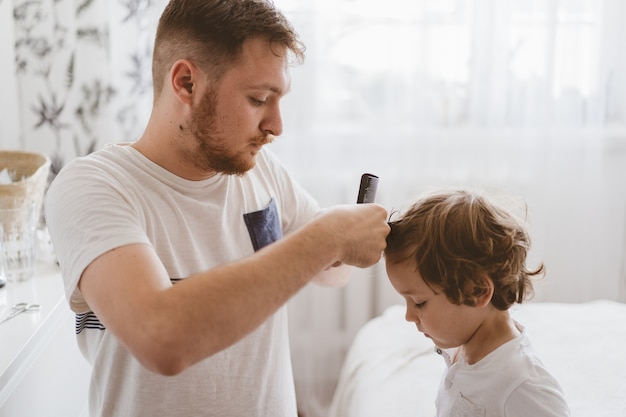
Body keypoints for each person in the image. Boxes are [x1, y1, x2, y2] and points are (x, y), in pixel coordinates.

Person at [44, 1, 390, 416]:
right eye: (259, 98)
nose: (276, 126)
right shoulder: (93, 187)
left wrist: (350, 235)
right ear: (186, 83)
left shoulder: (259, 170)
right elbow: (162, 338)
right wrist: (329, 237)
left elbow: (328, 273)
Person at [384, 189, 570, 417]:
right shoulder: (461, 345)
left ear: (478, 291)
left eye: (419, 302)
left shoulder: (523, 384)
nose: (409, 316)